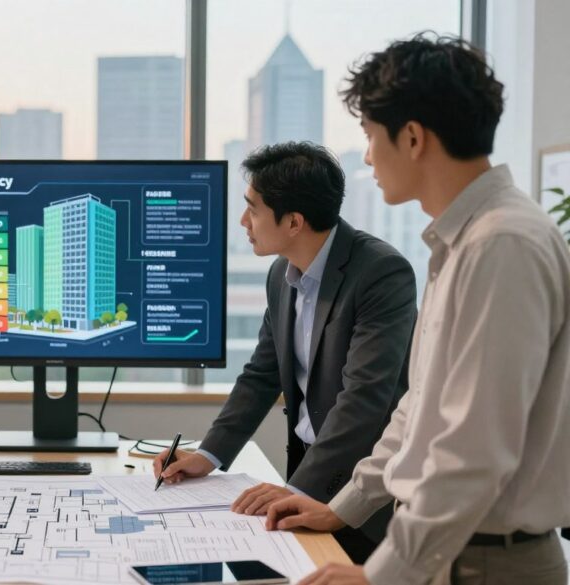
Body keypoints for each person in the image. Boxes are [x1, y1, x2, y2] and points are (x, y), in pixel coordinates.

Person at [266, 34, 570, 585]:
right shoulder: (461, 242)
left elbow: (472, 450)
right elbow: (419, 410)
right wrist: (345, 506)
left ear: (411, 137)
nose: (365, 156)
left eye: (368, 135)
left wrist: (379, 575)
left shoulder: (501, 245)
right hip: (450, 553)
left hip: (485, 563)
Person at [153, 141, 417, 562]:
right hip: (308, 470)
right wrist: (208, 453)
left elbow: (366, 397)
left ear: (294, 222)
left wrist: (297, 490)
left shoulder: (381, 272)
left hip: (361, 493)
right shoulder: (281, 273)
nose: (243, 221)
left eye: (253, 209)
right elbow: (262, 375)